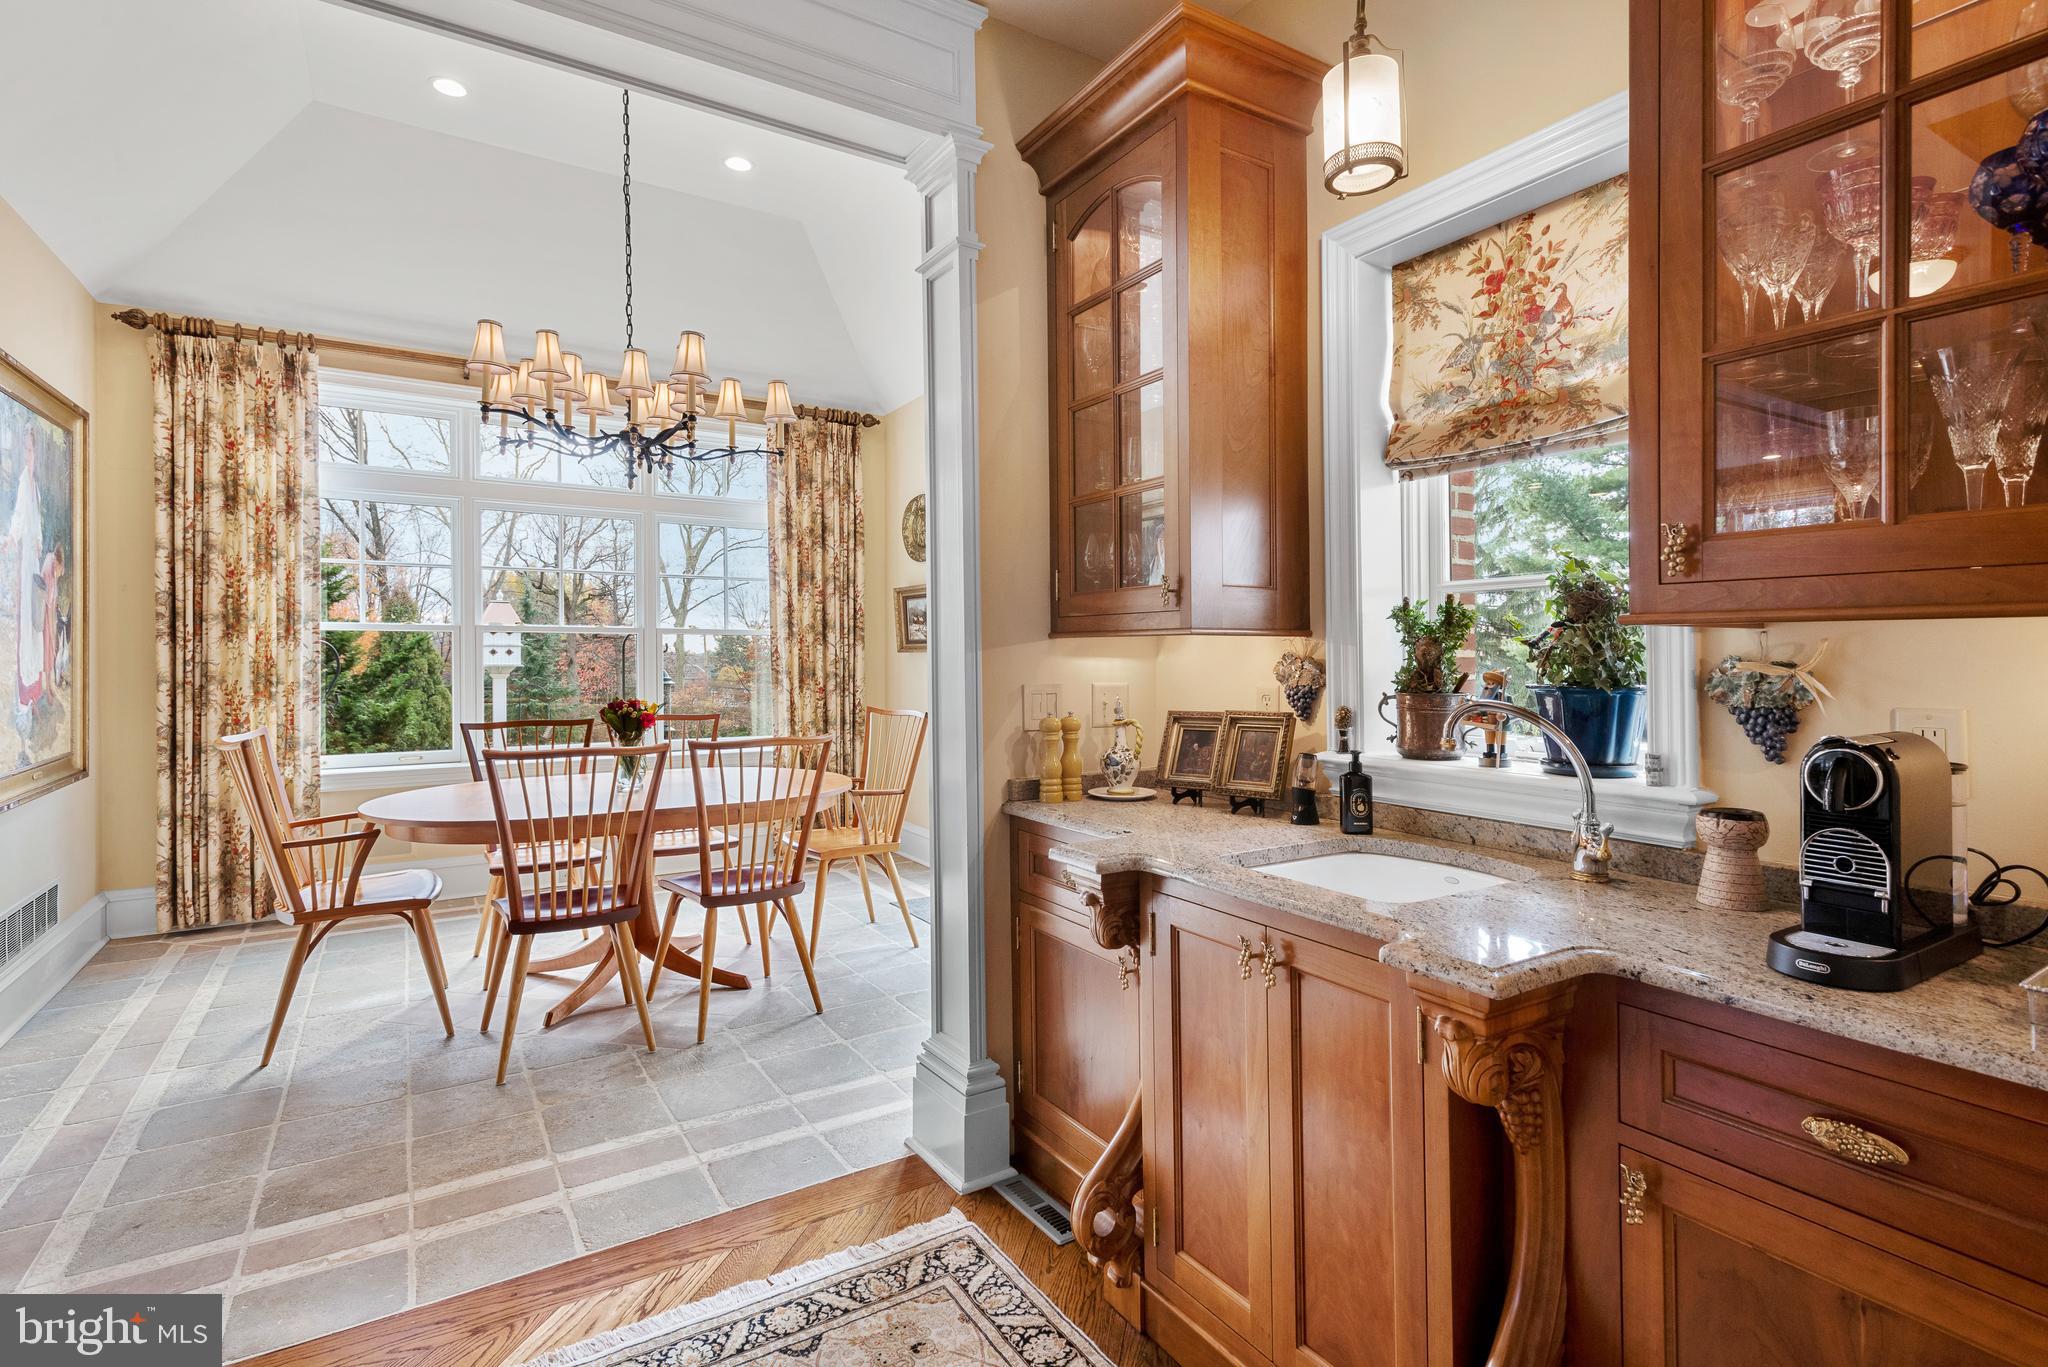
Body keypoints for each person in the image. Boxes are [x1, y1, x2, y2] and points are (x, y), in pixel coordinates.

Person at [7, 430, 44, 764]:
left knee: (36, 629)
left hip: (33, 565)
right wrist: (12, 538)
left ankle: (34, 693)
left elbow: (37, 524)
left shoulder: (34, 484)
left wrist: (35, 543)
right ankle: (24, 697)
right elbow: (19, 519)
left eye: (33, 450)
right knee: (26, 632)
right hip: (25, 567)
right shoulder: (22, 482)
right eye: (27, 449)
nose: (30, 456)